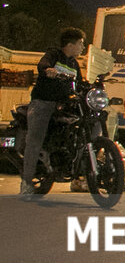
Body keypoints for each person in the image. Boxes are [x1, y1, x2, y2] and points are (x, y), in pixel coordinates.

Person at [19, 28, 86, 201]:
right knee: (35, 140)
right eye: (81, 43)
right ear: (70, 44)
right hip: (43, 103)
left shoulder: (74, 64)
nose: (83, 47)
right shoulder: (53, 54)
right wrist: (49, 70)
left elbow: (79, 83)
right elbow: (42, 65)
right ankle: (26, 183)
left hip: (63, 106)